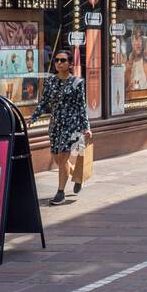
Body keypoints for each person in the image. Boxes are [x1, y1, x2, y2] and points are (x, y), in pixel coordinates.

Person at [30, 50, 92, 206]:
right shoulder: (51, 81)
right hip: (55, 124)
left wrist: (86, 127)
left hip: (71, 124)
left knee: (63, 156)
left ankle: (60, 193)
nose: (59, 63)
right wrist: (34, 117)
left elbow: (81, 106)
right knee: (58, 158)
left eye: (63, 60)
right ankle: (78, 176)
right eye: (57, 60)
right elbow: (44, 101)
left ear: (70, 64)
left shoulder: (77, 82)